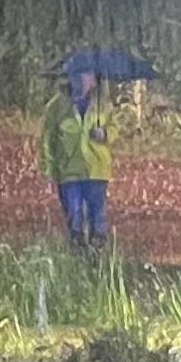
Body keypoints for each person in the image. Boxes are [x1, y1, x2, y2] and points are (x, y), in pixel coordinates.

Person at [41, 67, 114, 246]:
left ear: (94, 79)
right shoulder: (57, 106)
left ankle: (97, 256)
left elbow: (115, 128)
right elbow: (47, 138)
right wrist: (47, 167)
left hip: (96, 169)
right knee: (74, 216)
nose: (82, 79)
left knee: (97, 217)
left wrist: (104, 133)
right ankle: (78, 252)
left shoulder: (102, 105)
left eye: (86, 75)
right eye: (77, 74)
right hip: (68, 171)